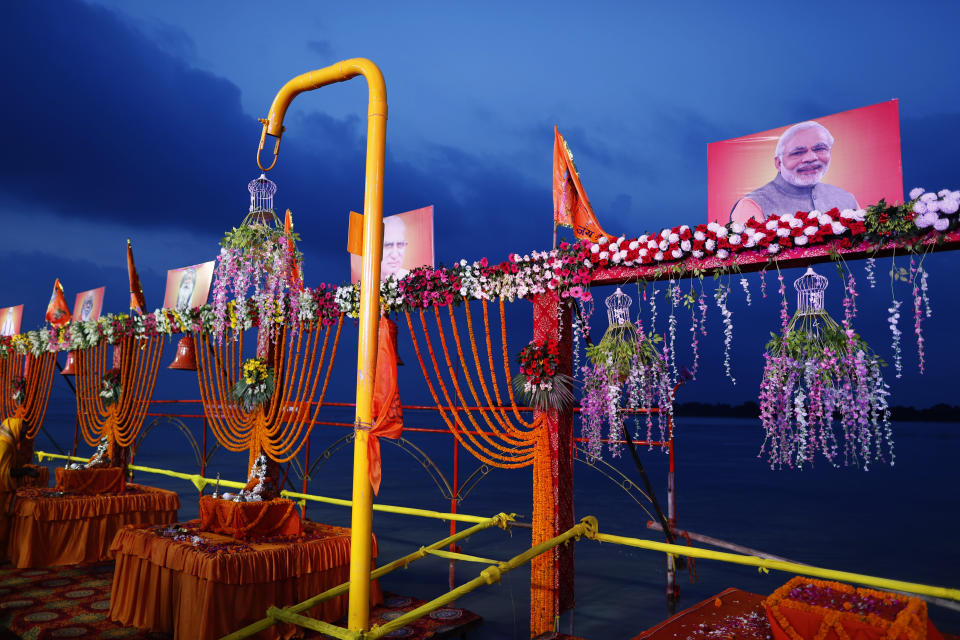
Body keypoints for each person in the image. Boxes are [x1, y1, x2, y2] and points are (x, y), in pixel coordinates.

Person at [730, 121, 859, 223]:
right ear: (778, 163)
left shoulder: (846, 199)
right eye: (798, 152)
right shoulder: (753, 204)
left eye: (820, 148)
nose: (811, 158)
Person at [380, 216, 408, 280]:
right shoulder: (365, 283)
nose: (394, 255)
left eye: (400, 244)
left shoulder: (414, 281)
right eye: (388, 245)